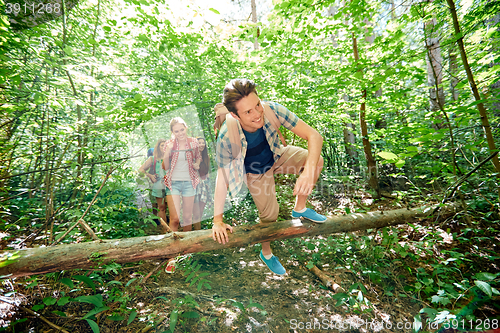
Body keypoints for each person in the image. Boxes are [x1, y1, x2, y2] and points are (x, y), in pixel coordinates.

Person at [212, 78, 327, 276]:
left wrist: (307, 172)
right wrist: (217, 220)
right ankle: (266, 253)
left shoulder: (272, 109)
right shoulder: (226, 137)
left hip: (276, 155)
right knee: (270, 216)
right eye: (248, 112)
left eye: (257, 105)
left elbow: (314, 136)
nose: (257, 114)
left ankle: (299, 208)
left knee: (316, 160)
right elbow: (222, 178)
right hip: (255, 172)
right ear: (234, 115)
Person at [162, 117, 202, 233]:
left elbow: (198, 157)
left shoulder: (193, 142)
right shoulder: (169, 144)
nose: (180, 133)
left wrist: (197, 164)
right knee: (175, 219)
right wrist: (167, 152)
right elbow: (165, 167)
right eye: (176, 131)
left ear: (186, 128)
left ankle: (186, 249)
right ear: (172, 132)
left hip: (189, 182)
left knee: (187, 219)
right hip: (173, 183)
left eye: (182, 130)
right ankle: (172, 247)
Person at [138, 139, 169, 233]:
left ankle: (171, 227)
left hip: (171, 185)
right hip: (158, 185)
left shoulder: (171, 157)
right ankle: (165, 229)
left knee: (170, 208)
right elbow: (141, 169)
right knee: (161, 207)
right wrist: (150, 175)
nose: (164, 147)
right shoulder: (153, 159)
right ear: (158, 147)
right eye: (162, 145)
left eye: (165, 145)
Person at [192, 137, 211, 230]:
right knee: (196, 213)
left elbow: (207, 172)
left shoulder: (207, 157)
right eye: (199, 143)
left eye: (203, 143)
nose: (201, 144)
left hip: (204, 186)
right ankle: (196, 232)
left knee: (200, 212)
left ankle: (198, 230)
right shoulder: (191, 157)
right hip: (194, 186)